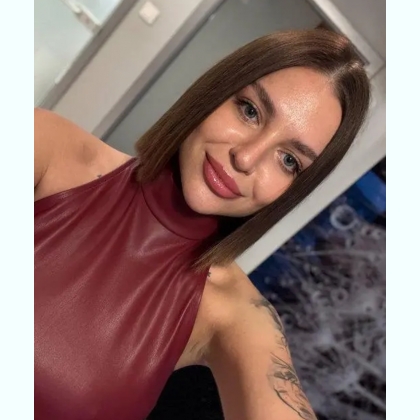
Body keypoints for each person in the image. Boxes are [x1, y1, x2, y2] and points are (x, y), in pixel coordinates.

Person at [34, 29, 370, 420]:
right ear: (215, 92)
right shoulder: (49, 149)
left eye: (289, 161)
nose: (246, 157)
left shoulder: (236, 315)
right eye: (250, 111)